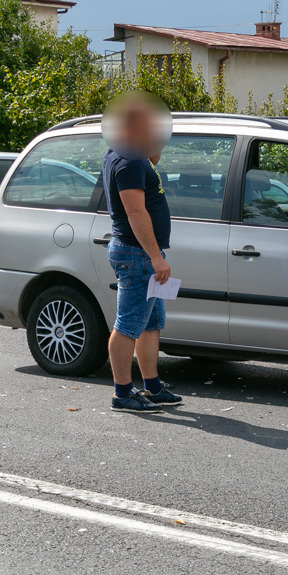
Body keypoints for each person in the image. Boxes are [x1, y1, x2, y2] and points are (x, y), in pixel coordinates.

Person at [102, 92, 182, 413]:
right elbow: (135, 212)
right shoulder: (129, 160)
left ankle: (151, 385)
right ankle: (122, 393)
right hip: (137, 255)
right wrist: (156, 257)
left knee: (150, 323)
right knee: (128, 324)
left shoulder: (130, 154)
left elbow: (155, 160)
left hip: (142, 254)